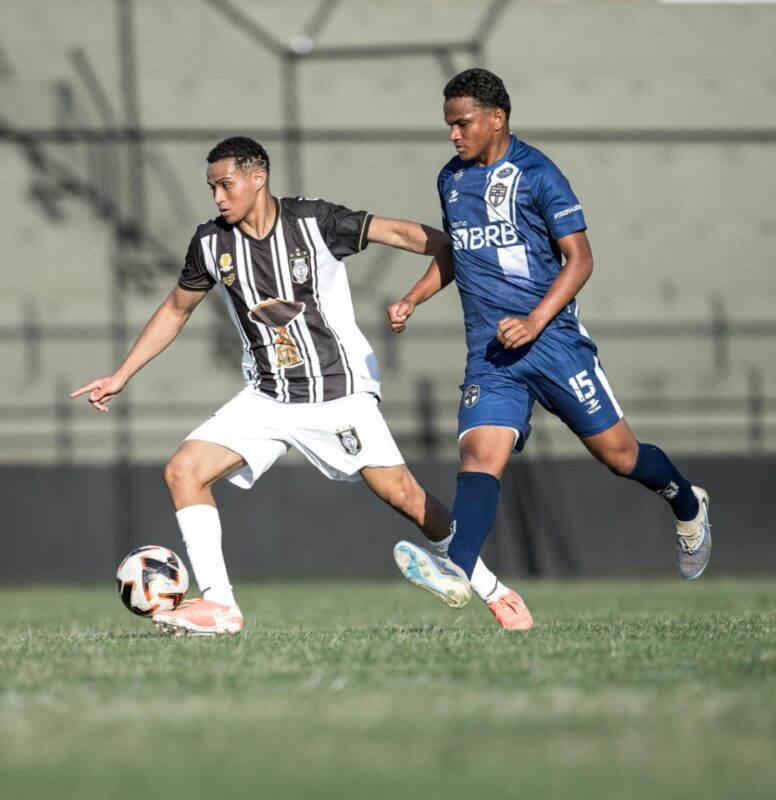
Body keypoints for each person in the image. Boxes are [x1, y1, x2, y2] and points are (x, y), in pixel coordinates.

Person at [71, 136, 533, 636]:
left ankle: (494, 591)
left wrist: (429, 281)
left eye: (226, 185)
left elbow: (415, 236)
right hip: (267, 396)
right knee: (184, 471)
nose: (218, 198)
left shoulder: (315, 222)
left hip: (338, 393)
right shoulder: (210, 243)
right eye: (212, 188)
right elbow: (176, 309)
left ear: (257, 177)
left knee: (406, 497)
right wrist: (122, 373)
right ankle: (221, 606)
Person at [385, 69, 712, 604]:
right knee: (479, 456)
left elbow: (580, 261)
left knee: (620, 456)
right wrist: (412, 298)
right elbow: (458, 253)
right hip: (492, 355)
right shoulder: (451, 179)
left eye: (462, 124)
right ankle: (455, 569)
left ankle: (688, 504)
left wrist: (535, 321)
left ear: (497, 118)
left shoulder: (538, 174)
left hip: (554, 344)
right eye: (448, 125)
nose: (453, 135)